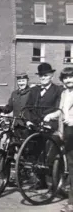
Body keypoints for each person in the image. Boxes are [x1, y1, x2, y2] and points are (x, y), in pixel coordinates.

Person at [43, 67, 73, 212]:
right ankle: (56, 186)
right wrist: (51, 116)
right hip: (65, 131)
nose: (68, 80)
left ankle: (71, 203)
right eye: (65, 77)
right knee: (54, 151)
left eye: (71, 77)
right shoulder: (64, 93)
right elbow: (60, 111)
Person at [24, 63, 63, 128]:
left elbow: (58, 109)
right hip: (33, 126)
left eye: (45, 75)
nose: (43, 78)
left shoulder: (58, 90)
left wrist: (49, 119)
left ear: (52, 77)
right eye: (41, 76)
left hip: (50, 127)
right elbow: (27, 108)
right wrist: (27, 121)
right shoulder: (33, 90)